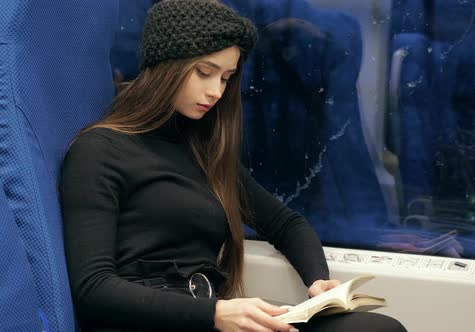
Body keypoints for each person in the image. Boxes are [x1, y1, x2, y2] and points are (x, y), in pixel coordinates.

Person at [60, 1, 407, 331]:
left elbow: (286, 223)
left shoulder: (201, 152)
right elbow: (93, 289)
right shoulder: (98, 150)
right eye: (204, 72)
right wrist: (216, 313)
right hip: (151, 323)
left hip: (209, 314)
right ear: (165, 65)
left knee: (379, 328)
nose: (215, 91)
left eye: (225, 79)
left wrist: (318, 282)